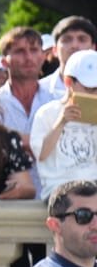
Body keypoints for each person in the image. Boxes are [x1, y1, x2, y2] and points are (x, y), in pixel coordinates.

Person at [30, 49, 97, 200]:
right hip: (59, 189)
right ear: (68, 82)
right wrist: (61, 122)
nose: (93, 94)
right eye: (89, 89)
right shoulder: (47, 113)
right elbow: (41, 154)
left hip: (93, 187)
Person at [38, 16, 97, 102]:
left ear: (93, 48)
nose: (75, 45)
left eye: (82, 39)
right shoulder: (36, 92)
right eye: (67, 39)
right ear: (54, 50)